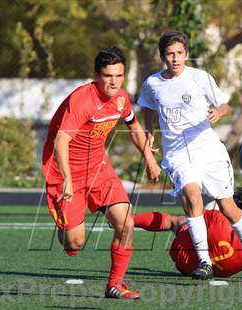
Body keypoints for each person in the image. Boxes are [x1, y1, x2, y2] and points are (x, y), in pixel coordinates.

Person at [137, 31, 242, 282]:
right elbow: (148, 108)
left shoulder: (200, 78)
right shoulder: (153, 83)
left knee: (227, 206)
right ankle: (204, 262)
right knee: (192, 196)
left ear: (187, 54)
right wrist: (149, 136)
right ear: (163, 57)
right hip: (177, 154)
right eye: (170, 54)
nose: (175, 58)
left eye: (179, 53)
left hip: (208, 149)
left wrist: (219, 112)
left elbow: (225, 105)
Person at [42, 47, 161, 299]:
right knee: (74, 243)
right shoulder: (83, 100)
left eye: (119, 75)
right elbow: (60, 141)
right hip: (66, 172)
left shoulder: (121, 98)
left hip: (98, 167)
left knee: (126, 222)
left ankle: (115, 284)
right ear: (97, 75)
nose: (114, 81)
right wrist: (68, 181)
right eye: (108, 76)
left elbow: (134, 126)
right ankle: (66, 224)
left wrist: (150, 159)